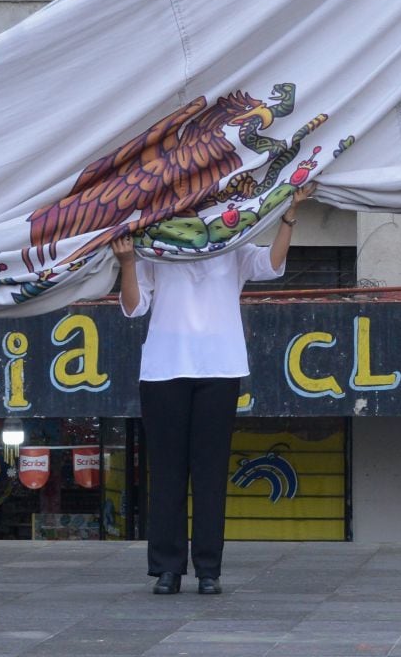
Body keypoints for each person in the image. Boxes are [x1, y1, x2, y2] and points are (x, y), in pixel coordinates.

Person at [115, 186, 302, 596]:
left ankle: (208, 569)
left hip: (219, 364)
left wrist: (287, 219)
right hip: (165, 367)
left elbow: (270, 266)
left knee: (210, 472)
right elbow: (134, 307)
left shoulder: (229, 236)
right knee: (166, 473)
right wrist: (128, 261)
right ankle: (167, 568)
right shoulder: (155, 240)